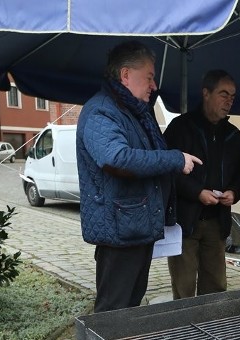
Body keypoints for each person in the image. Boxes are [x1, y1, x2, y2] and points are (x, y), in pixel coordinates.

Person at [77, 41, 202, 313]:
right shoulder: (101, 111)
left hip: (134, 228)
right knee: (113, 311)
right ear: (125, 75)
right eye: (149, 77)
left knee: (130, 307)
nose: (154, 85)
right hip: (119, 232)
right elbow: (116, 158)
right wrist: (175, 158)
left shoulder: (132, 112)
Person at [164, 70, 240, 299]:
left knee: (216, 286)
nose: (229, 100)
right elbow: (166, 171)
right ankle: (184, 332)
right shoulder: (180, 127)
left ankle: (212, 330)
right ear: (206, 93)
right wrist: (197, 192)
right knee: (184, 287)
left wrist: (234, 192)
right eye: (223, 94)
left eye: (232, 95)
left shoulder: (234, 135)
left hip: (217, 223)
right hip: (185, 222)